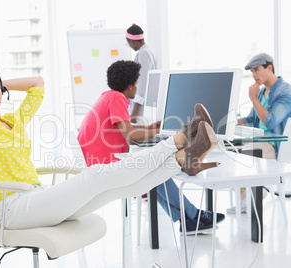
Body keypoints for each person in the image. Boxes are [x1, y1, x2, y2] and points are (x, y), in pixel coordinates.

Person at [0, 58, 219, 231]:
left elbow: (38, 85)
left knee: (116, 190)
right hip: (13, 209)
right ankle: (180, 138)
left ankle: (181, 160)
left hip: (37, 198)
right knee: (96, 176)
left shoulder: (13, 122)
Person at [78, 60, 225, 234]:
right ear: (131, 85)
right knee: (156, 169)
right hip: (108, 165)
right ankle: (194, 213)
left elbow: (123, 129)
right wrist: (159, 133)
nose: (137, 87)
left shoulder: (108, 96)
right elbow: (130, 134)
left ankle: (189, 220)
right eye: (137, 83)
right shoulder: (117, 98)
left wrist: (151, 129)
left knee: (154, 178)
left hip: (102, 163)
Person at [228, 52, 291, 214]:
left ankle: (254, 194)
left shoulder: (286, 92)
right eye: (251, 71)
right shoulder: (262, 92)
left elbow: (271, 121)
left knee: (239, 153)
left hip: (276, 146)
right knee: (230, 149)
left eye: (256, 70)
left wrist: (253, 99)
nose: (254, 75)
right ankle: (249, 195)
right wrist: (229, 123)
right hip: (261, 141)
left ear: (270, 67)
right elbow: (252, 118)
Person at [126, 24, 157, 124]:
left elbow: (143, 82)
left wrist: (135, 109)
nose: (130, 46)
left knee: (137, 136)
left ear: (132, 41)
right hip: (143, 105)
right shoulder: (146, 51)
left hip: (141, 109)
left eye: (128, 43)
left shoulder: (144, 53)